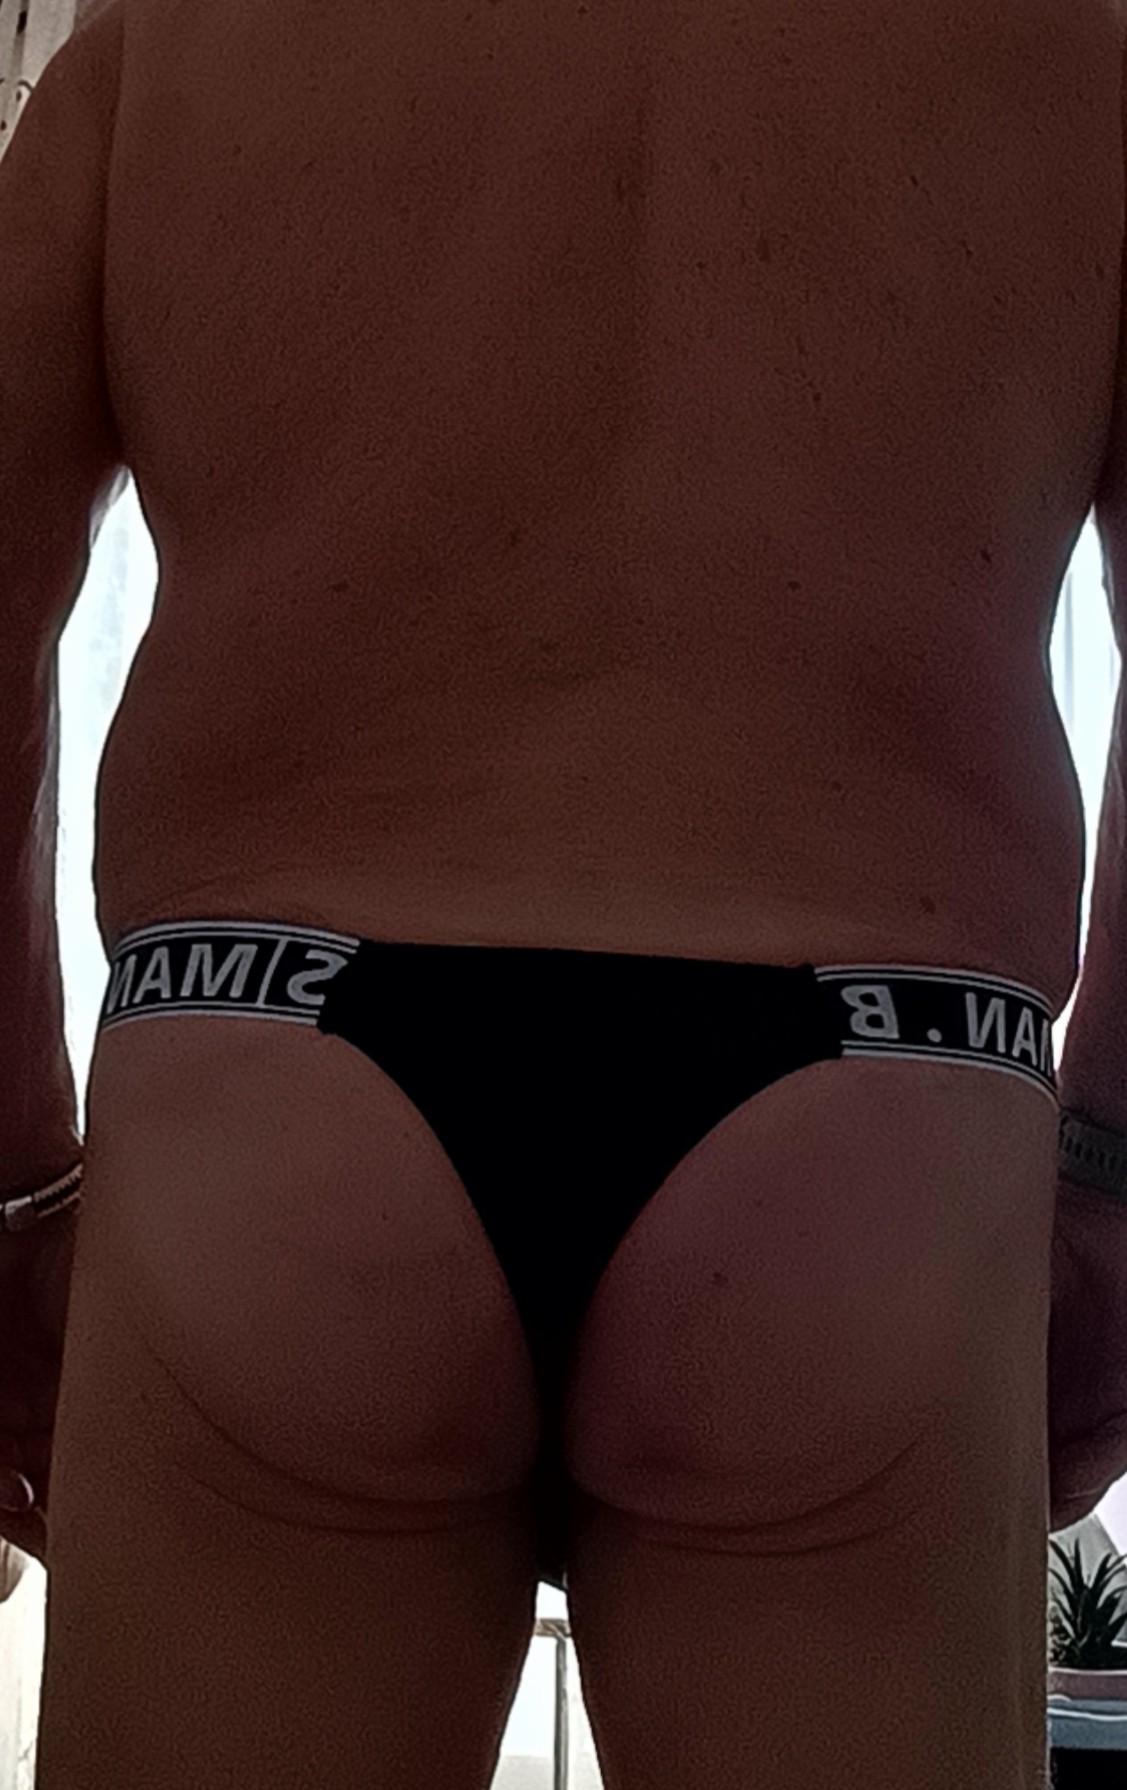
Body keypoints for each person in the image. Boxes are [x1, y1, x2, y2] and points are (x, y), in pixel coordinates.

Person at [2, 0, 1127, 1785]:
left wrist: (18, 1172)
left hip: (274, 1068)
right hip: (873, 1106)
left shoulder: (167, 43)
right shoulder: (1081, 60)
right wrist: (1111, 1168)